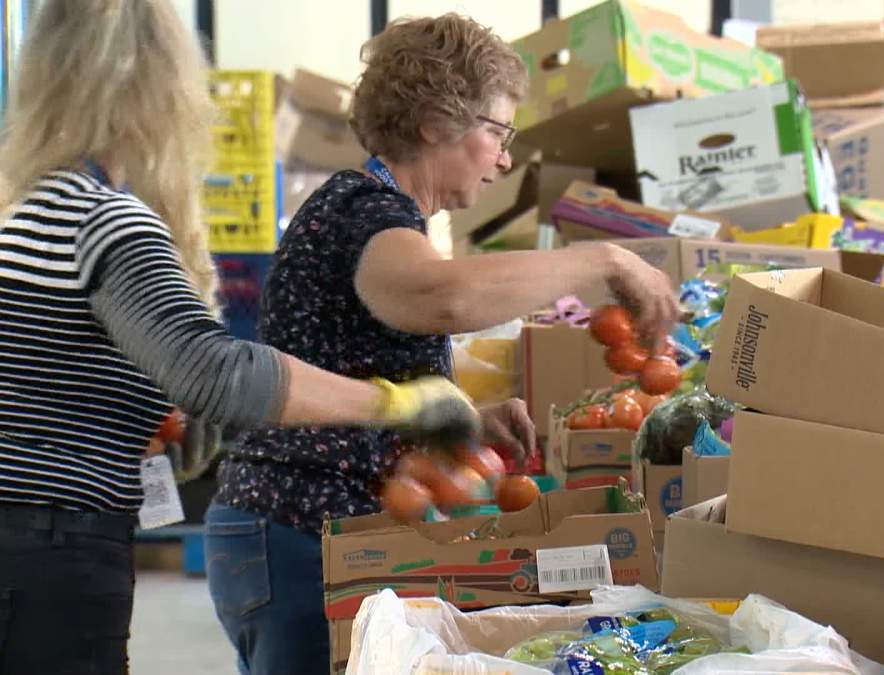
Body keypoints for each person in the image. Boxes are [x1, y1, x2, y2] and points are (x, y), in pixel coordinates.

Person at [0, 2, 486, 673]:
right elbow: (218, 373)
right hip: (50, 545)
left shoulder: (24, 210)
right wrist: (402, 404)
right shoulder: (105, 221)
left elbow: (48, 382)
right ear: (159, 85)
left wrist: (146, 413)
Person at [206, 13, 681, 675]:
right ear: (435, 121)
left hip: (307, 531)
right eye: (498, 131)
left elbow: (365, 354)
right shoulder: (360, 209)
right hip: (295, 529)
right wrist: (604, 260)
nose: (506, 157)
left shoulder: (378, 212)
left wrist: (460, 416)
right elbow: (441, 295)